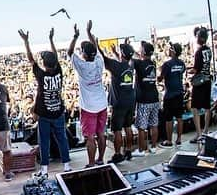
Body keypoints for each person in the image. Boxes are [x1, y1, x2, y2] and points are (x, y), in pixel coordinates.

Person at [18, 28, 71, 175]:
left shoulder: (41, 75)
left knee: (44, 141)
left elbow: (30, 59)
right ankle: (66, 166)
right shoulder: (59, 72)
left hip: (45, 114)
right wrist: (51, 40)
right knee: (62, 139)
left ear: (45, 64)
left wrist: (26, 42)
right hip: (58, 112)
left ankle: (44, 169)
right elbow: (56, 57)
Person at [90, 29, 135, 165]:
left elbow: (103, 58)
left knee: (117, 130)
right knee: (128, 127)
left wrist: (97, 45)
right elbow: (120, 61)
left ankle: (117, 154)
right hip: (130, 100)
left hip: (119, 103)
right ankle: (128, 150)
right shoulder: (129, 65)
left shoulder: (116, 66)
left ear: (122, 54)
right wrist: (117, 52)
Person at [70, 22, 108, 167]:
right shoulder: (99, 61)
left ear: (85, 54)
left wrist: (75, 37)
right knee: (101, 134)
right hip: (102, 104)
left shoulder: (82, 66)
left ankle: (91, 162)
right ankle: (100, 159)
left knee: (90, 137)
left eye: (82, 51)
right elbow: (95, 47)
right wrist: (89, 32)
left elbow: (69, 53)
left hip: (89, 108)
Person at [133, 40, 161, 155]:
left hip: (144, 100)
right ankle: (153, 147)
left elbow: (129, 58)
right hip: (154, 97)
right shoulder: (152, 63)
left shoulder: (139, 64)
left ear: (144, 52)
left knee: (141, 127)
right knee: (154, 124)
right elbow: (139, 57)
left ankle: (141, 150)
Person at [159, 43, 186, 147]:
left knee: (168, 118)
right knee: (179, 117)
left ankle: (169, 140)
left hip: (169, 95)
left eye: (170, 49)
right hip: (179, 93)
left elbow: (161, 77)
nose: (168, 51)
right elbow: (182, 72)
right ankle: (179, 139)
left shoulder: (167, 64)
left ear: (173, 51)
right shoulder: (182, 63)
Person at [189, 27, 213, 143]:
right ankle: (206, 130)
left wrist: (188, 71)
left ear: (201, 38)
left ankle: (199, 134)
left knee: (195, 108)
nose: (196, 38)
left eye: (197, 36)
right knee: (207, 107)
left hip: (199, 82)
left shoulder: (199, 52)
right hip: (208, 80)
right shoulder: (209, 50)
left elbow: (196, 69)